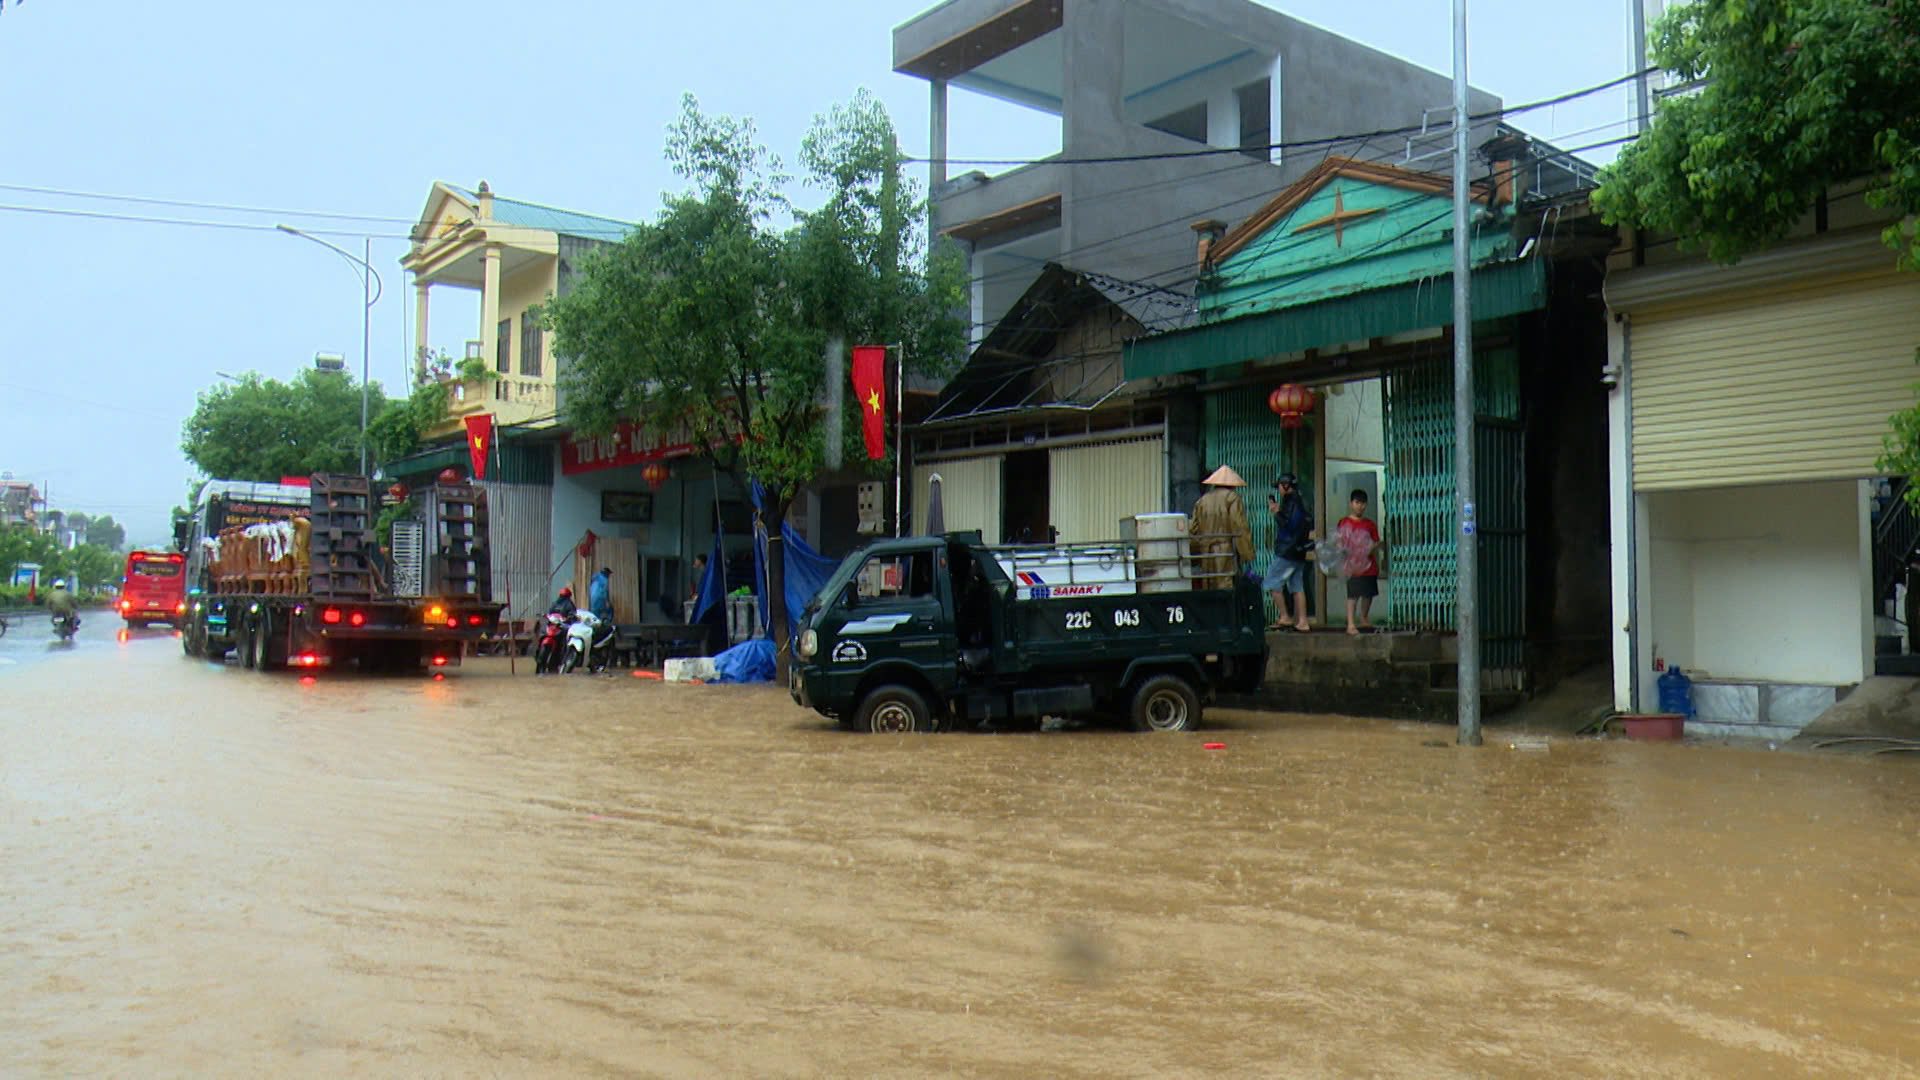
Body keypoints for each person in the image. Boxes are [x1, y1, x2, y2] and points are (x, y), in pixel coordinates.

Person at [1189, 466, 1255, 590]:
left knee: (1208, 586)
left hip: (1205, 552)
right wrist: (1247, 553)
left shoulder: (1202, 500)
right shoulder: (1232, 498)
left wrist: (1195, 554)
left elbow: (1193, 529)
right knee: (1225, 585)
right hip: (1225, 551)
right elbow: (1239, 526)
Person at [1264, 473, 1315, 632]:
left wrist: (1276, 512)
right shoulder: (1300, 501)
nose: (1278, 490)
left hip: (1287, 551)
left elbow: (1287, 525)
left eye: (1279, 486)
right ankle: (1302, 621)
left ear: (1286, 486)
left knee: (1271, 581)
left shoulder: (1291, 502)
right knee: (1297, 586)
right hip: (1298, 551)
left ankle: (1284, 616)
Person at [1337, 489, 1384, 635]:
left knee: (1368, 593)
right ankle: (1351, 624)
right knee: (1353, 595)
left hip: (1368, 566)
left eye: (1363, 503)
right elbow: (1339, 542)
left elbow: (1377, 542)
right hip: (1352, 567)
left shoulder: (1370, 524)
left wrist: (1371, 548)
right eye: (1357, 502)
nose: (1360, 506)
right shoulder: (1344, 522)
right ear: (1351, 503)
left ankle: (1364, 618)